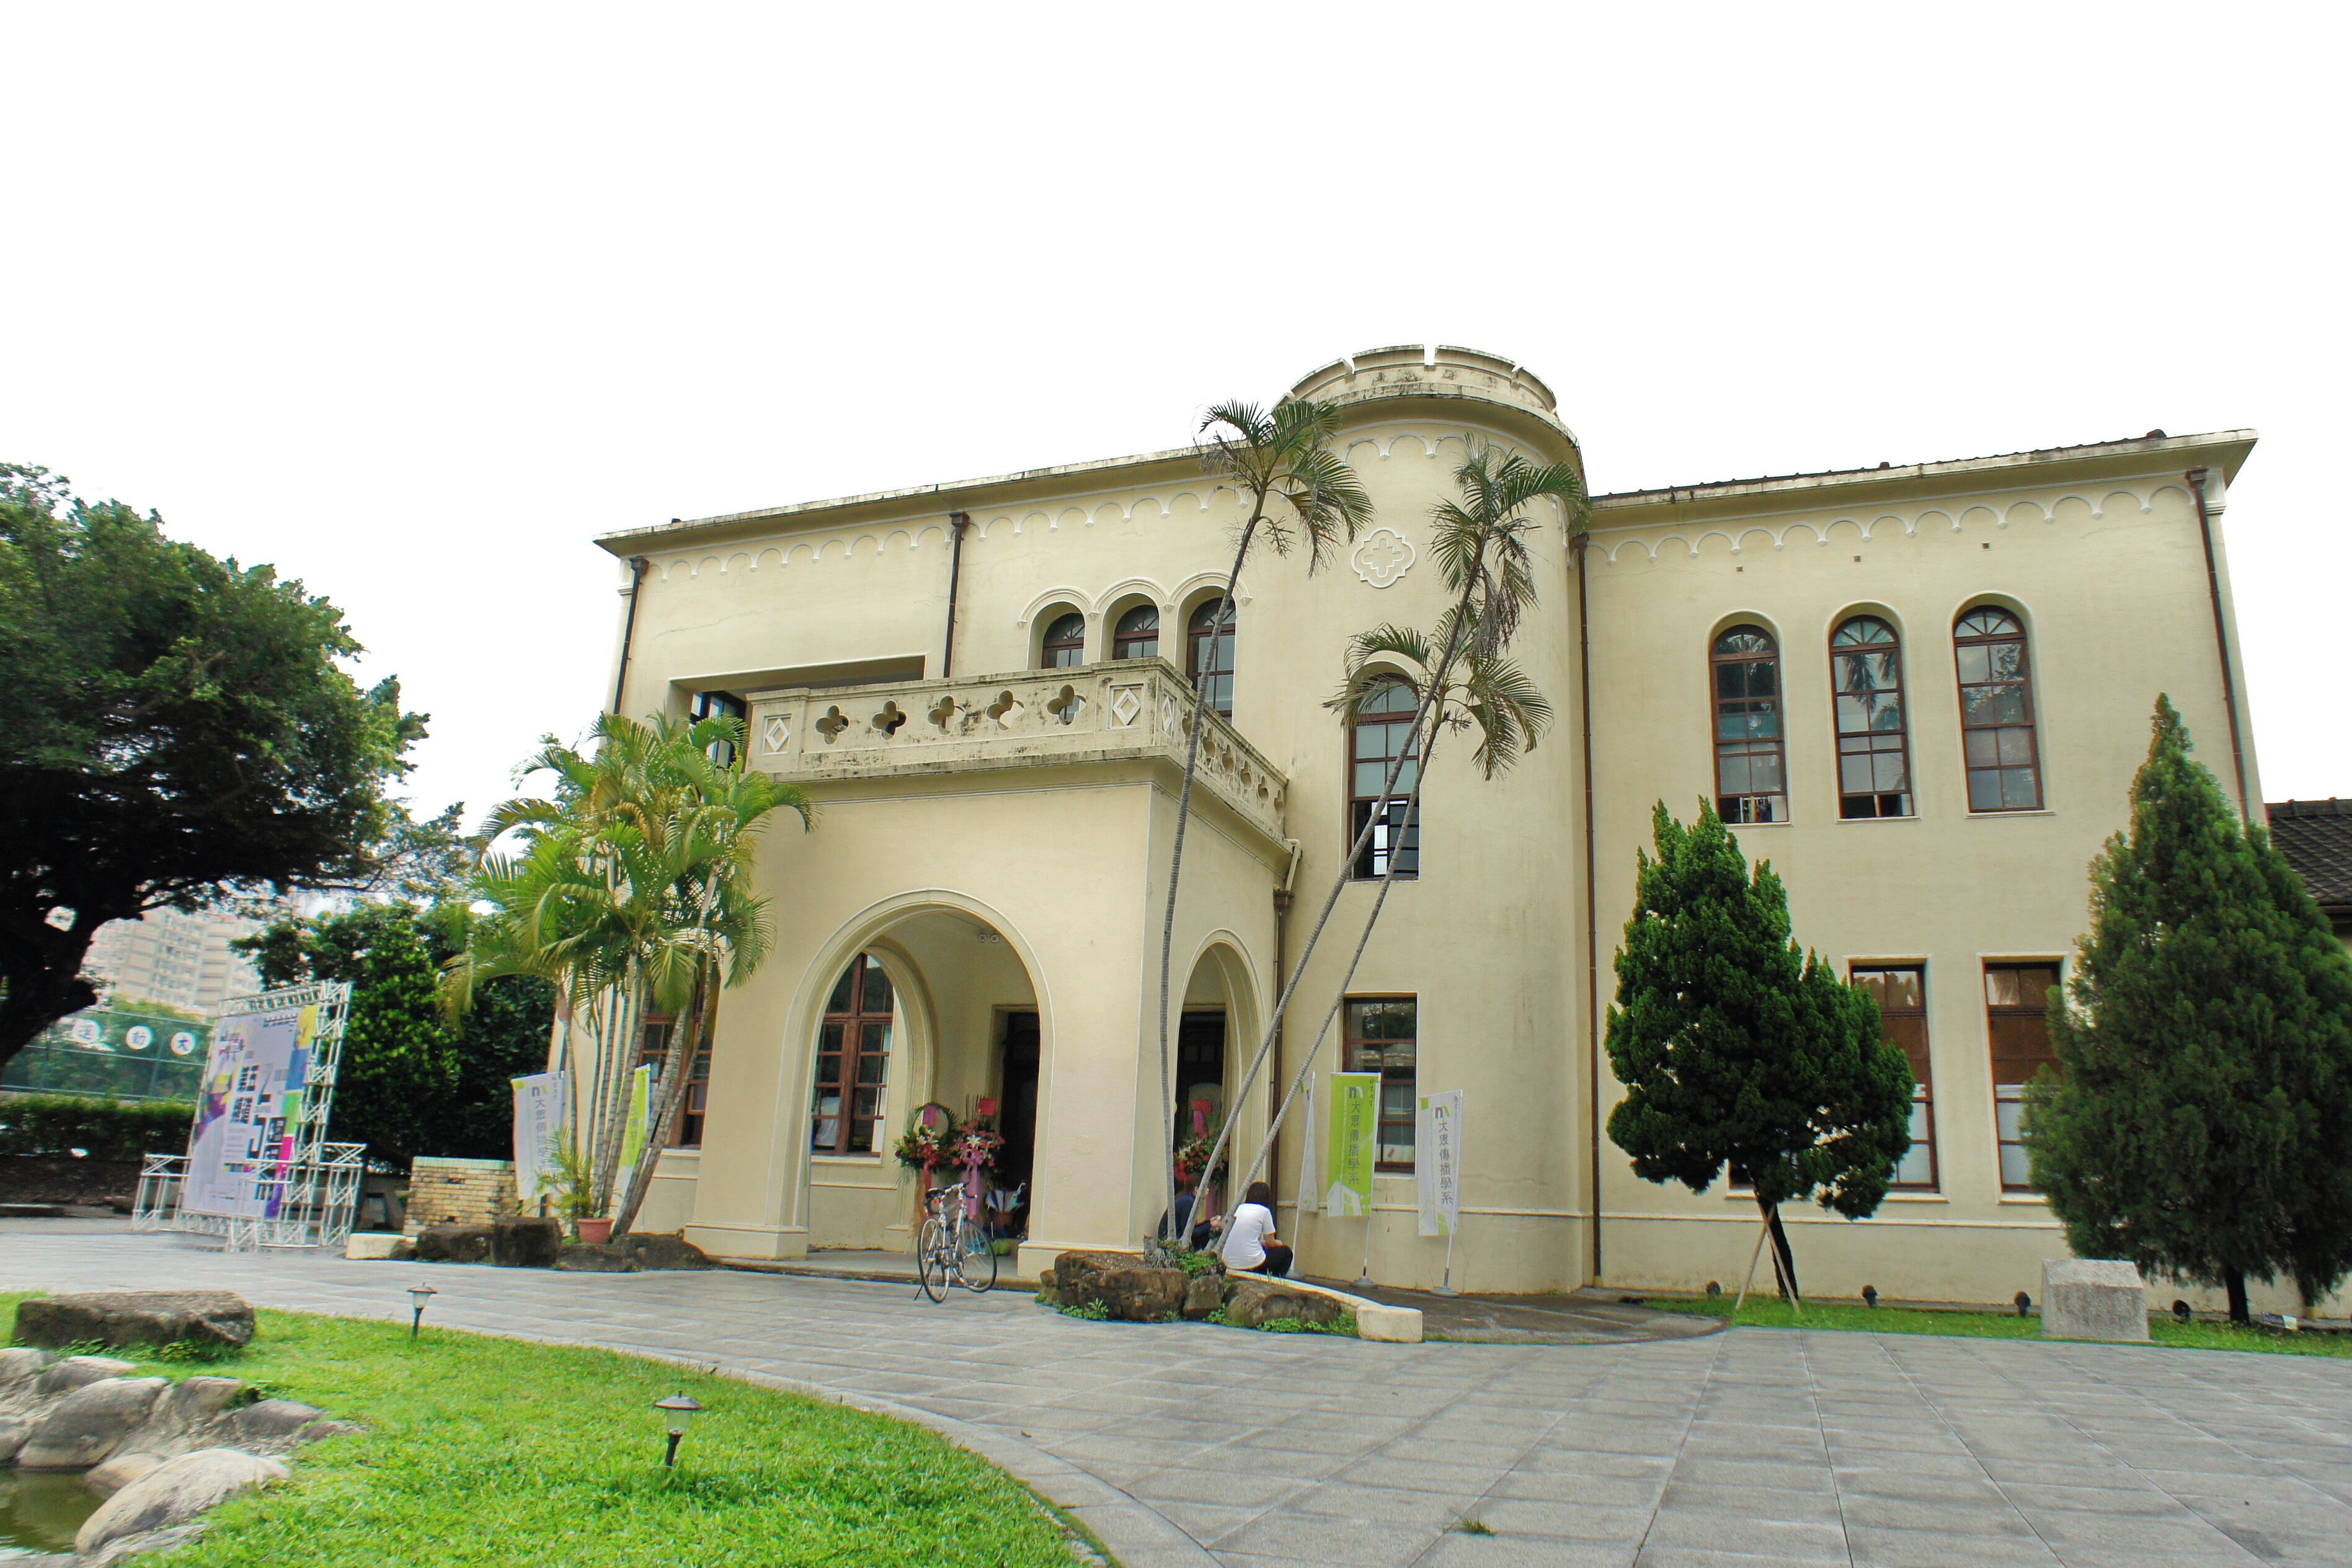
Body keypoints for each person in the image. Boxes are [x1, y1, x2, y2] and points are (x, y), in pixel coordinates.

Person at [1219, 1180, 1292, 1278]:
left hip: (1228, 1262)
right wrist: (1279, 1243)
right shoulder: (1264, 1211)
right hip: (1251, 1264)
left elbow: (1244, 1237)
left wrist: (1261, 1243)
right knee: (1286, 1253)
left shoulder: (1239, 1208)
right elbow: (1271, 1243)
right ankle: (1274, 1279)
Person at [1159, 1167, 1215, 1251]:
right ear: (1196, 1189)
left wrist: (1209, 1222)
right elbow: (1190, 1232)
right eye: (1206, 1187)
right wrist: (1210, 1225)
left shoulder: (1185, 1198)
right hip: (1173, 1244)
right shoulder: (1188, 1202)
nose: (1208, 1190)